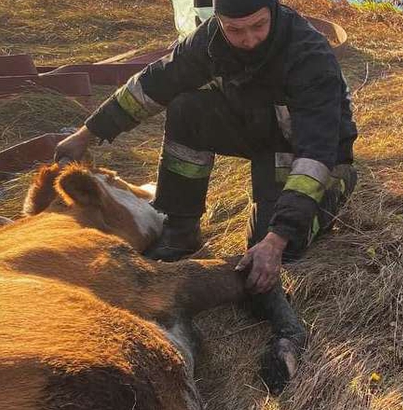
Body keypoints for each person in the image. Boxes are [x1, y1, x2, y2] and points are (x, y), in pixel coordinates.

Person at [55, 0, 358, 295]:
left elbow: (314, 154)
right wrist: (87, 134)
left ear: (274, 11)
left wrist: (277, 239)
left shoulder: (308, 55)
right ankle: (180, 226)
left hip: (308, 149)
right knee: (187, 108)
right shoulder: (209, 40)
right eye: (235, 30)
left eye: (258, 26)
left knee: (276, 244)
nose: (249, 40)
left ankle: (337, 185)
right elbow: (151, 85)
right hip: (258, 126)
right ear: (219, 22)